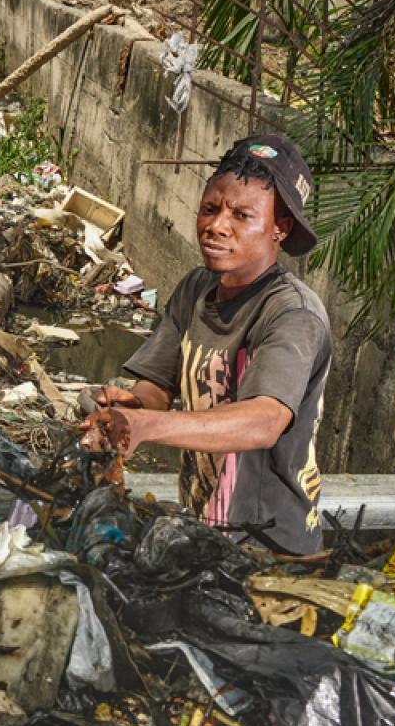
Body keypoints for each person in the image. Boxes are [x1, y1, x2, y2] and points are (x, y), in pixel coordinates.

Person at [81, 134, 331, 555]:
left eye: (241, 215)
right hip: (203, 530)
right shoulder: (197, 288)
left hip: (269, 546)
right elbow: (157, 386)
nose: (216, 226)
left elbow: (265, 421)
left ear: (279, 229)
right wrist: (132, 408)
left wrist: (148, 428)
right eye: (210, 209)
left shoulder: (292, 314)